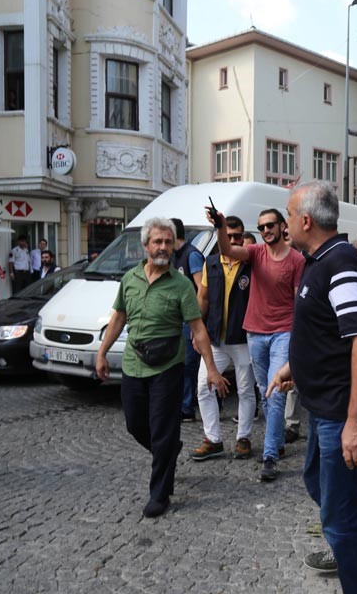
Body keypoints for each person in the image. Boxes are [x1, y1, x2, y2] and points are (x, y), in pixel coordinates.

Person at [268, 180, 357, 593]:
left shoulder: (343, 262)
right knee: (318, 484)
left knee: (340, 513)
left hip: (340, 411)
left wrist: (356, 421)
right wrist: (293, 369)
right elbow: (324, 334)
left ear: (305, 220)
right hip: (322, 406)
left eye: (287, 213)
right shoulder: (318, 261)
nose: (283, 222)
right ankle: (349, 538)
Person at [95, 217, 228, 518]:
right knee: (135, 424)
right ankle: (167, 451)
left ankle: (160, 494)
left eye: (168, 242)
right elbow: (118, 319)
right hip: (133, 363)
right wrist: (102, 353)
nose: (163, 247)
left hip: (168, 365)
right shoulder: (129, 279)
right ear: (145, 246)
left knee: (164, 429)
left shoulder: (181, 285)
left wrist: (211, 369)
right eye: (158, 241)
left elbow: (198, 328)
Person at [209, 207, 305, 482]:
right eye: (261, 227)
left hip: (282, 332)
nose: (265, 231)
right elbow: (226, 250)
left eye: (269, 225)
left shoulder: (297, 260)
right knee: (265, 392)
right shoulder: (256, 253)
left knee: (275, 394)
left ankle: (270, 455)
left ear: (282, 226)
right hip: (254, 332)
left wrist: (299, 336)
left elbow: (299, 301)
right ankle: (278, 441)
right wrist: (221, 225)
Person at [189, 215, 257, 463]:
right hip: (215, 338)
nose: (232, 240)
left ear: (243, 237)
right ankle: (213, 439)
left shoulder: (251, 263)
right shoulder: (212, 262)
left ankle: (243, 437)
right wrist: (195, 332)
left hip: (243, 339)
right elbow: (203, 298)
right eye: (227, 235)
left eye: (237, 236)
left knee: (246, 390)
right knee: (203, 387)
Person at [170, 218, 205, 423]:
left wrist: (195, 323)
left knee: (189, 365)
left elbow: (201, 289)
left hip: (190, 320)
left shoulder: (191, 255)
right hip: (178, 320)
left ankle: (187, 408)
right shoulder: (175, 256)